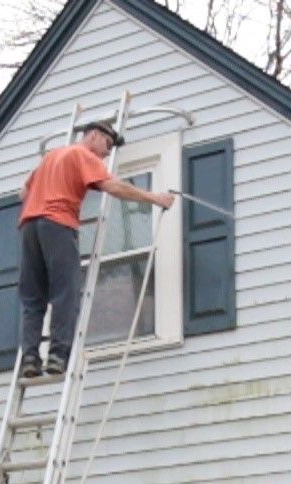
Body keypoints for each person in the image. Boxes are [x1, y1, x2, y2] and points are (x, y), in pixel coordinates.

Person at [16, 120, 175, 377]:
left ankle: (30, 358)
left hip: (29, 227)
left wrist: (54, 186)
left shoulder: (51, 156)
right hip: (58, 224)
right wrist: (154, 198)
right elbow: (113, 187)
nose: (107, 152)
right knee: (65, 293)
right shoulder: (83, 154)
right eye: (107, 144)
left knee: (34, 299)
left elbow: (23, 194)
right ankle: (57, 356)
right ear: (92, 136)